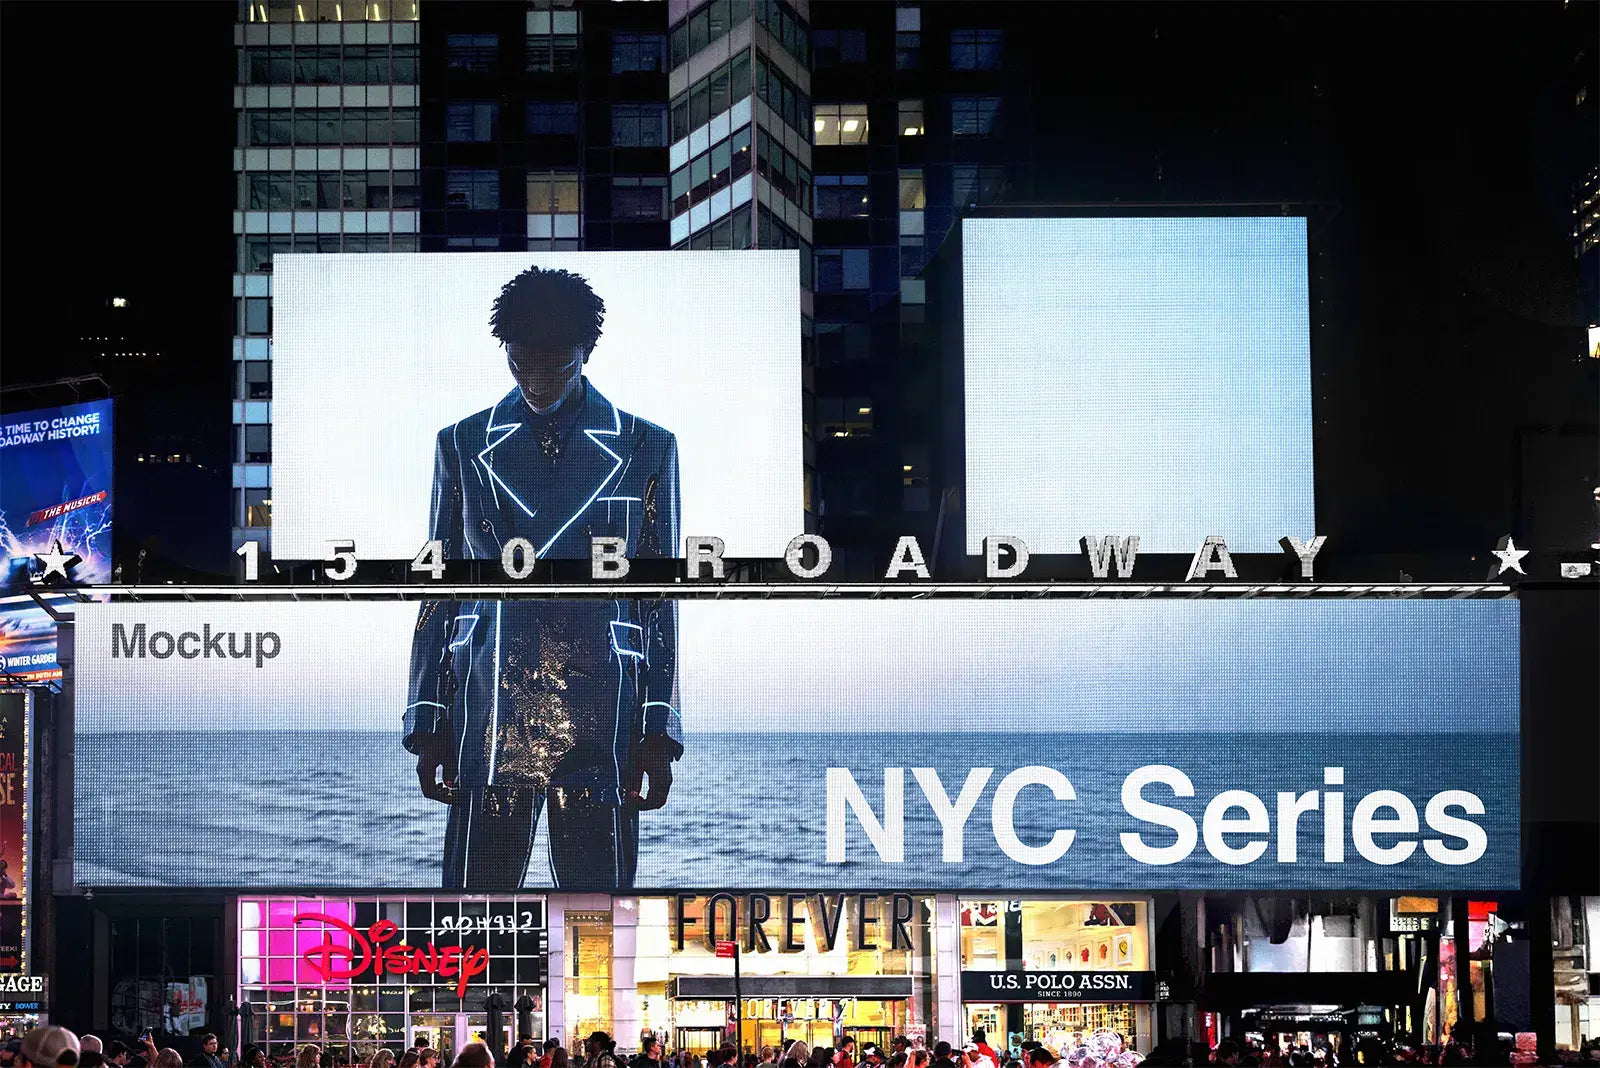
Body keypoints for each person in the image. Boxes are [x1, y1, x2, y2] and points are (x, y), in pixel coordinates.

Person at [408, 265, 682, 892]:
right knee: (470, 922)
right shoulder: (461, 443)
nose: (536, 379)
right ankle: (465, 995)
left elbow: (657, 598)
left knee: (600, 919)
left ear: (586, 352)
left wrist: (658, 728)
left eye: (554, 362)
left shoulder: (647, 446)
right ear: (506, 352)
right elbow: (438, 588)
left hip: (603, 705)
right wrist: (427, 717)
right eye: (521, 363)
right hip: (489, 700)